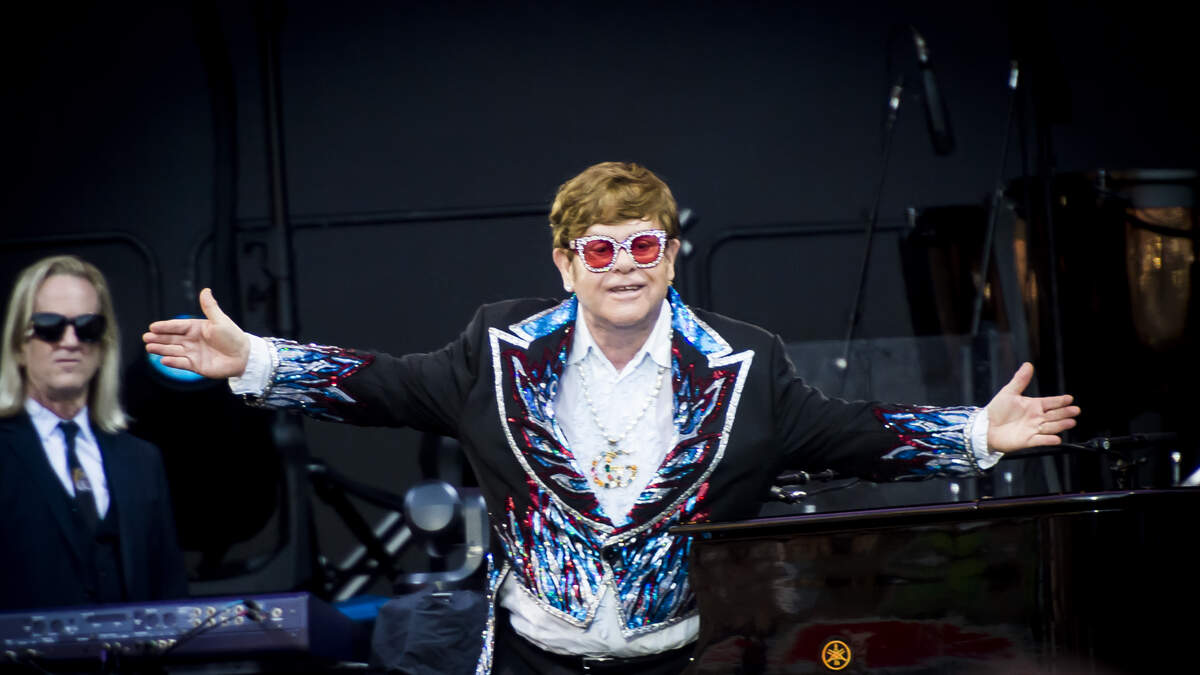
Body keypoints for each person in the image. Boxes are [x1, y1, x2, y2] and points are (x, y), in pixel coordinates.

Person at [143, 162, 1079, 674]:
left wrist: (973, 433)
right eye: (599, 248)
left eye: (641, 244)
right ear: (564, 263)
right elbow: (381, 384)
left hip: (682, 659)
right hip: (533, 659)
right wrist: (258, 360)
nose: (622, 264)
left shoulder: (746, 362)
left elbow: (850, 433)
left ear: (671, 256)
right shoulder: (496, 349)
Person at [0, 255, 187, 611]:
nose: (70, 341)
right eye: (49, 325)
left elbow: (170, 594)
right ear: (19, 345)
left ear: (103, 345)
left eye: (87, 326)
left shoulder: (141, 461)